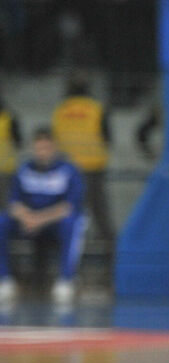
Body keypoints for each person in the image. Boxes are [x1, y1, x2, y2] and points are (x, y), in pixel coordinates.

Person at [0, 127, 86, 306]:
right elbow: (13, 203)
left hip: (54, 223)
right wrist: (27, 218)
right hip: (27, 223)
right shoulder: (24, 169)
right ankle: (4, 280)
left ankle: (66, 280)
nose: (42, 153)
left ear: (54, 147)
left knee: (74, 222)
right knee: (2, 221)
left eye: (46, 148)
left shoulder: (69, 170)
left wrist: (39, 219)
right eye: (38, 148)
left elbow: (69, 207)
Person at [52, 71, 115, 243]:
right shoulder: (97, 108)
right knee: (99, 207)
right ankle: (108, 242)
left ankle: (67, 239)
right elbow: (107, 137)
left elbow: (55, 137)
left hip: (68, 167)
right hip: (93, 165)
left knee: (69, 206)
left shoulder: (60, 109)